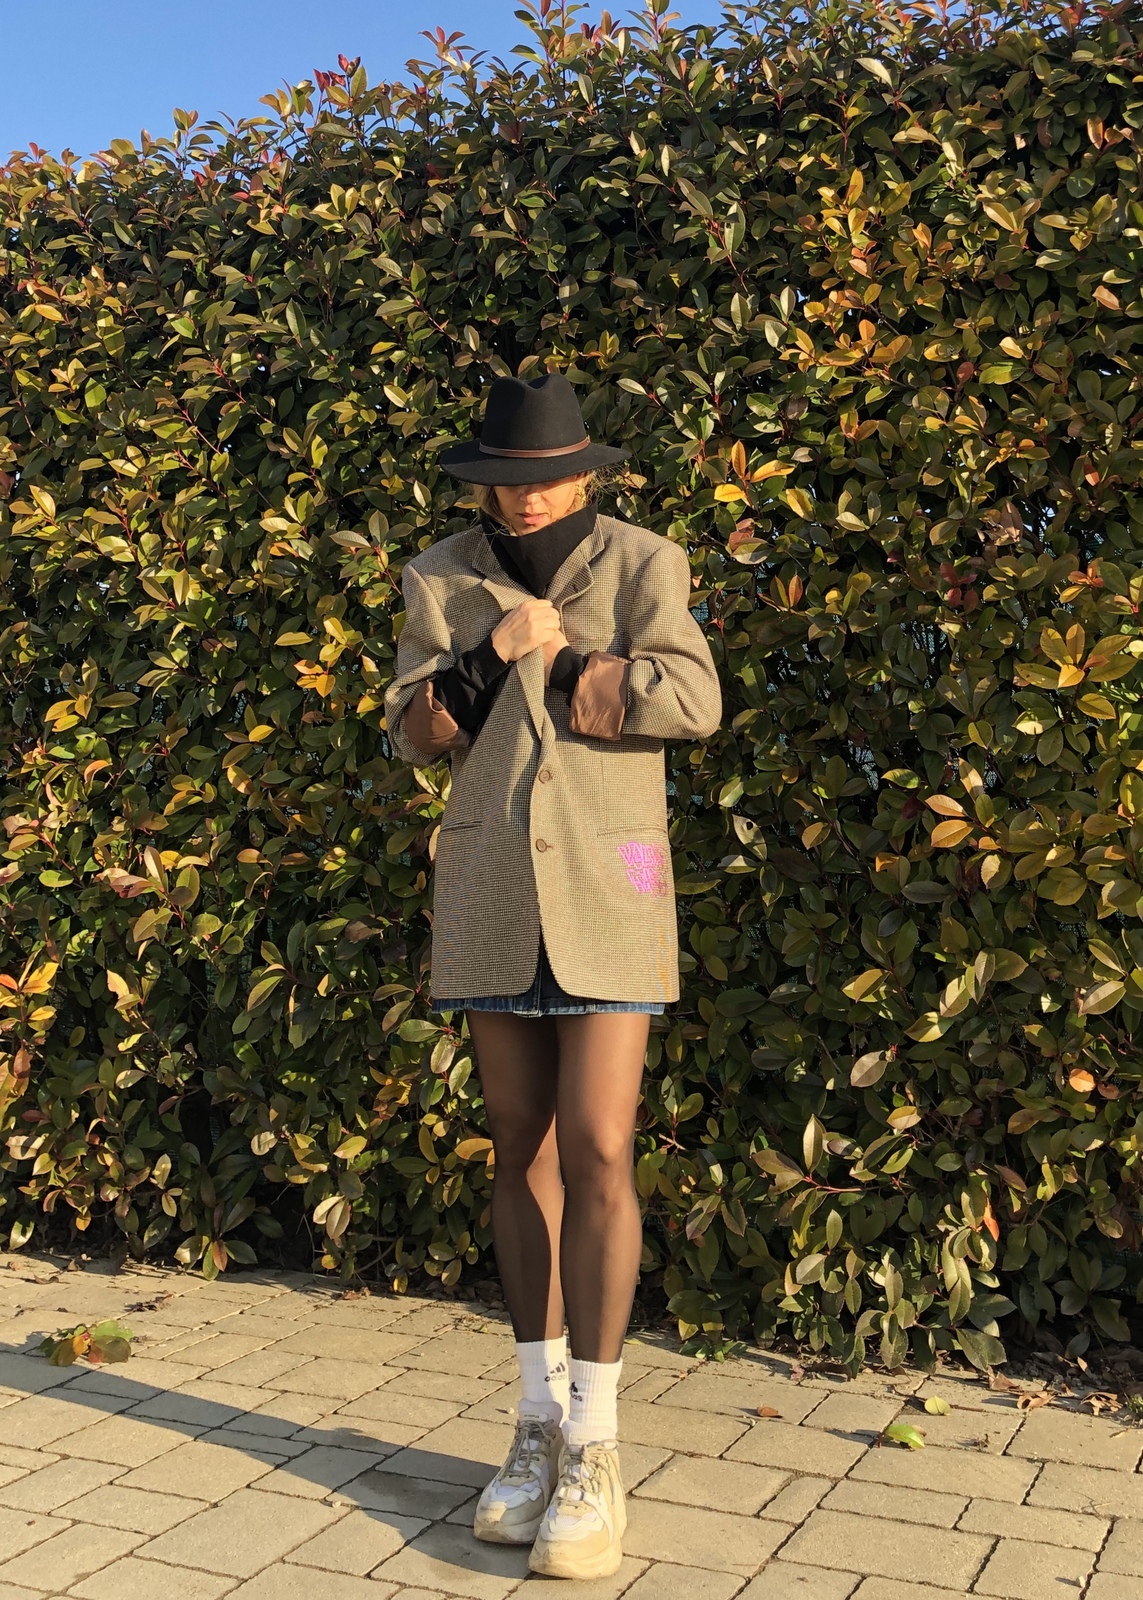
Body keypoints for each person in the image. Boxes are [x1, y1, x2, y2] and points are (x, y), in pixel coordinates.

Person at [383, 372, 722, 1581]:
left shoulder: (643, 563)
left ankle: (596, 1443)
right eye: (503, 484)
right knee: (518, 1148)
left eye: (546, 482)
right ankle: (532, 1425)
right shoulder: (439, 576)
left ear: (584, 476)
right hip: (491, 892)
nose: (524, 502)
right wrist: (487, 658)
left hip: (610, 888)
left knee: (600, 1146)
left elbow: (695, 699)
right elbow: (407, 731)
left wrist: (574, 658)